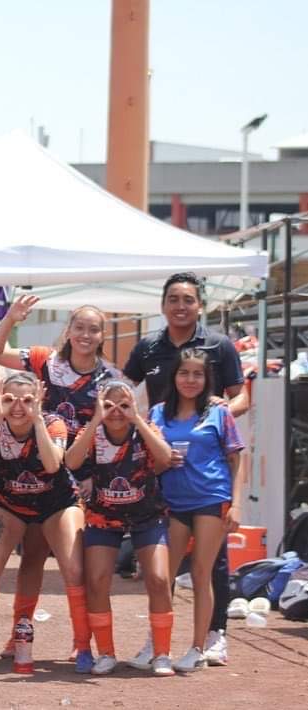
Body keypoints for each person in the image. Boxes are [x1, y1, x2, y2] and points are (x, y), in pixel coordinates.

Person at [122, 271, 248, 668]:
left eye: (188, 299)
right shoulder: (148, 347)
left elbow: (240, 396)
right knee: (163, 571)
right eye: (173, 299)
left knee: (211, 567)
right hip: (167, 483)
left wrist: (220, 413)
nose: (180, 306)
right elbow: (123, 388)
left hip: (209, 487)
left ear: (199, 305)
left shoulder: (219, 345)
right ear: (162, 305)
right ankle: (158, 643)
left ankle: (212, 637)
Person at [0, 296, 122, 661]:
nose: (85, 334)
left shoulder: (109, 378)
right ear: (68, 330)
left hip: (77, 480)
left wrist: (96, 475)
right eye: (79, 327)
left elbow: (114, 429)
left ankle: (84, 645)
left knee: (72, 565)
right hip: (35, 469)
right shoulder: (43, 360)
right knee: (31, 558)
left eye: (93, 329)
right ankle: (20, 633)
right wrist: (11, 318)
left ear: (102, 335)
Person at [0, 372, 93, 672]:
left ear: (39, 401)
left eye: (27, 400)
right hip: (10, 502)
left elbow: (52, 463)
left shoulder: (53, 422)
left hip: (57, 502)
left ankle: (83, 646)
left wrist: (38, 421)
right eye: (9, 400)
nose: (18, 407)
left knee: (74, 568)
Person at [65, 381, 175, 676]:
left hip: (147, 515)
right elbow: (71, 461)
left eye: (123, 405)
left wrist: (137, 417)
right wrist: (95, 420)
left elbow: (166, 458)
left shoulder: (145, 429)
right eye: (109, 405)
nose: (116, 411)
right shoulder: (93, 432)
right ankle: (106, 654)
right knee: (98, 580)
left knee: (159, 578)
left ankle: (162, 653)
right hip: (104, 517)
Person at [149, 349, 244, 673]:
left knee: (202, 574)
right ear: (173, 377)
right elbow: (148, 459)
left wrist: (237, 503)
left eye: (197, 374)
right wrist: (163, 461)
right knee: (164, 577)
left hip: (210, 498)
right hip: (172, 502)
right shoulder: (158, 413)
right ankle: (157, 643)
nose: (190, 380)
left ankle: (198, 647)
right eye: (184, 373)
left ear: (207, 380)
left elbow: (236, 459)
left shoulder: (219, 412)